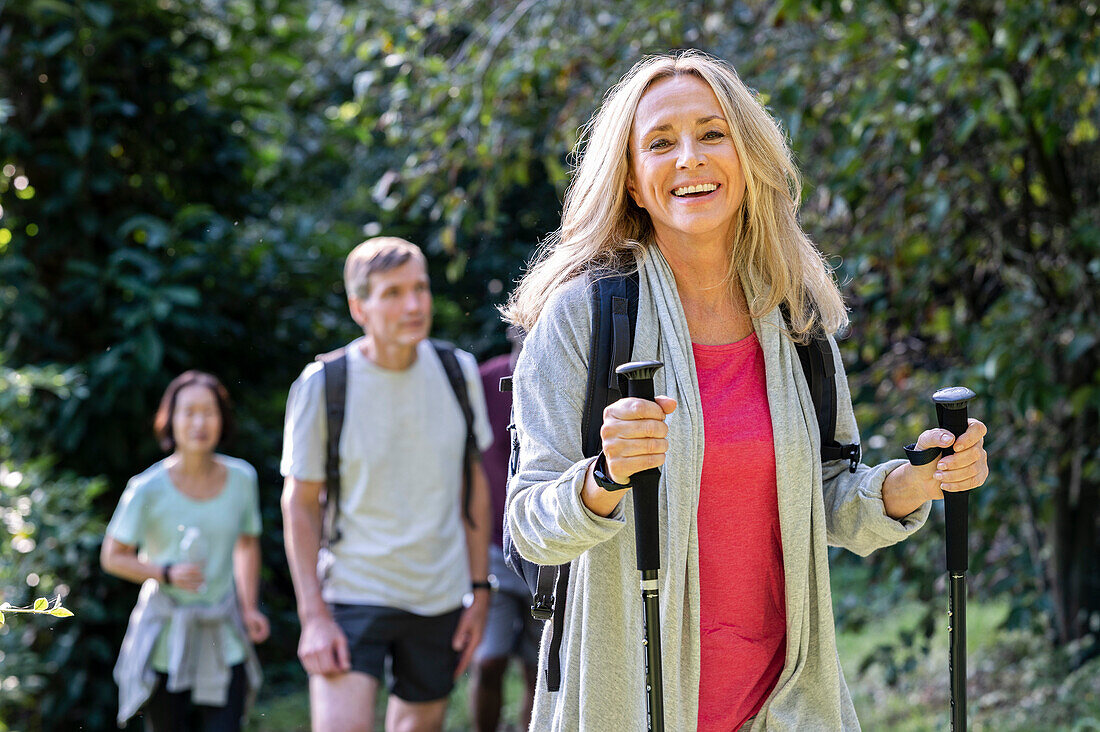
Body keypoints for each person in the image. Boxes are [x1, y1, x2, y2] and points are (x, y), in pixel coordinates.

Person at [502, 50, 990, 731]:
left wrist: (922, 480)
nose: (690, 159)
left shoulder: (791, 315)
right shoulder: (585, 315)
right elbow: (529, 527)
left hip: (784, 703)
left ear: (746, 156)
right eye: (661, 143)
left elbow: (824, 491)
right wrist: (607, 477)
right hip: (634, 702)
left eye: (712, 133)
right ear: (634, 183)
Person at [280, 236, 494, 732]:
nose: (415, 305)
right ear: (360, 307)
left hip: (438, 596)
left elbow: (474, 486)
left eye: (420, 288)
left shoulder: (457, 371)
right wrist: (312, 615)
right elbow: (300, 503)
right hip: (354, 591)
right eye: (393, 293)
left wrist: (479, 591)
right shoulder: (324, 384)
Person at [102, 370, 268, 732]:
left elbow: (247, 541)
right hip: (165, 635)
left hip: (222, 632)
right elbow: (112, 556)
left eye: (209, 412)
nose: (199, 422)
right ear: (170, 420)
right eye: (188, 412)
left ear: (222, 420)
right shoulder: (146, 488)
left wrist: (250, 606)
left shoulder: (243, 479)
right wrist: (164, 573)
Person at [469, 328, 539, 732]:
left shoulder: (557, 377)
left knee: (538, 665)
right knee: (488, 657)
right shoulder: (484, 381)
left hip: (544, 546)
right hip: (492, 545)